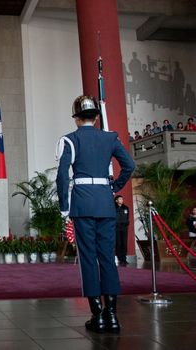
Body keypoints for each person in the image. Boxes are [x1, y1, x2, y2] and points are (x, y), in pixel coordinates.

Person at [56, 95, 135, 334]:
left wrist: (64, 206)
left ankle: (97, 315)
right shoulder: (110, 138)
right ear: (97, 117)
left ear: (77, 119)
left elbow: (62, 176)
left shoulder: (69, 140)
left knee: (89, 258)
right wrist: (114, 186)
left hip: (82, 204)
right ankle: (112, 315)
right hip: (104, 203)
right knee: (107, 257)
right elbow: (129, 166)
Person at [114, 195, 130, 266]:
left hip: (124, 228)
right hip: (117, 228)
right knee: (118, 243)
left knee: (124, 243)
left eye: (122, 199)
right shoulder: (113, 208)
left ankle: (124, 259)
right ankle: (120, 259)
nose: (121, 200)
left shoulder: (126, 208)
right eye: (120, 199)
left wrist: (126, 223)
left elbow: (127, 217)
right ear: (116, 200)